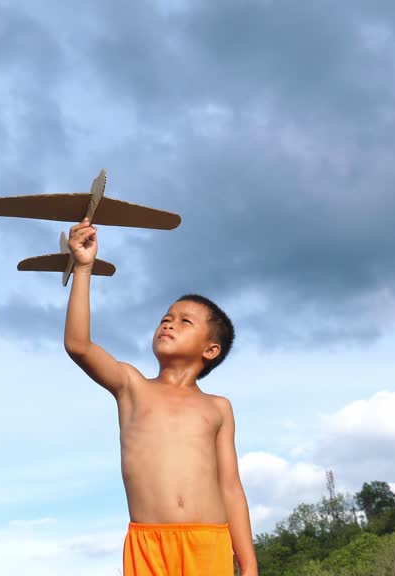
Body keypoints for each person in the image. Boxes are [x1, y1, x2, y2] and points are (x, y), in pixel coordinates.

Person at [63, 218, 258, 576]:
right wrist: (83, 268)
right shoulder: (132, 386)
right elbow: (78, 345)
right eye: (166, 317)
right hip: (148, 545)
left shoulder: (218, 407)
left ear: (211, 349)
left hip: (209, 541)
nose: (168, 323)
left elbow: (230, 486)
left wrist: (248, 565)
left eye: (185, 322)